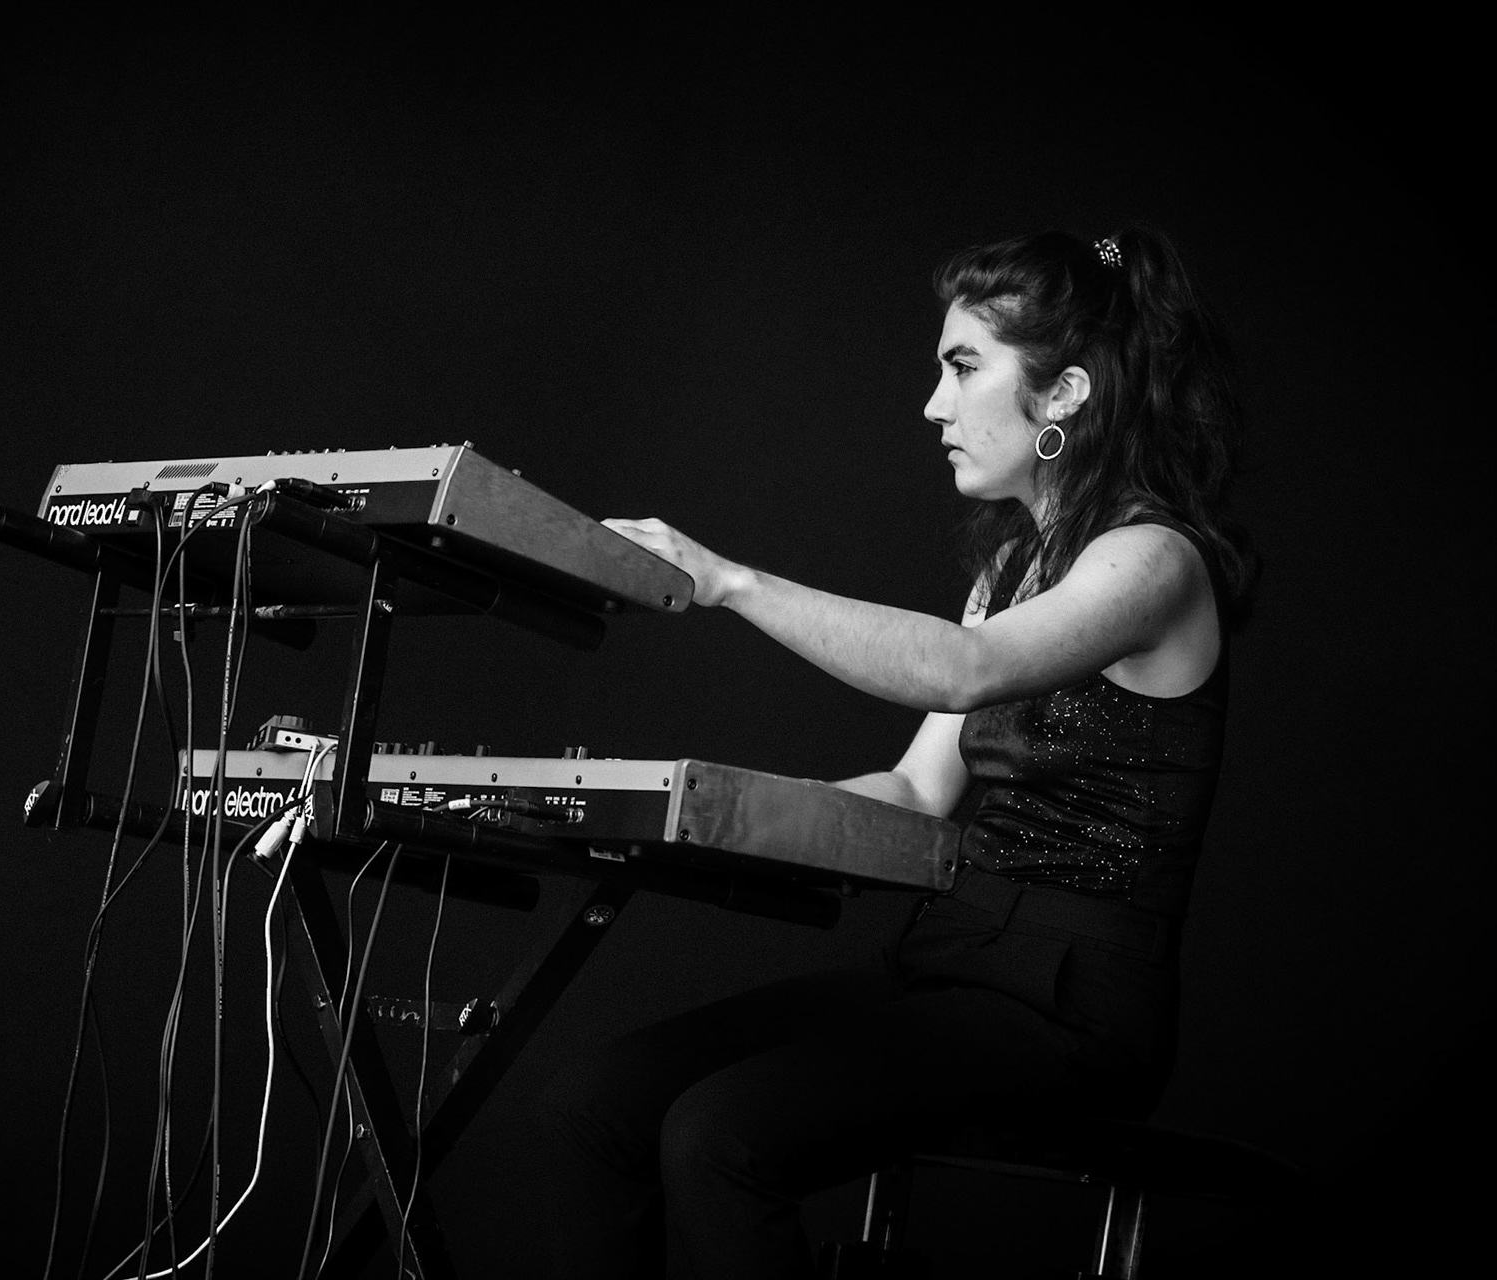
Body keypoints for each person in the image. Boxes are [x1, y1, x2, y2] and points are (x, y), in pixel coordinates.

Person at [536, 224, 1256, 1279]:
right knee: (587, 1109)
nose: (933, 404)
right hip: (945, 963)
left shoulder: (1153, 561)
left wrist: (729, 581)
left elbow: (962, 671)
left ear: (1064, 395)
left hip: (1073, 1011)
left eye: (964, 366)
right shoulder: (1013, 563)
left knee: (718, 1138)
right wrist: (705, 813)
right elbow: (920, 789)